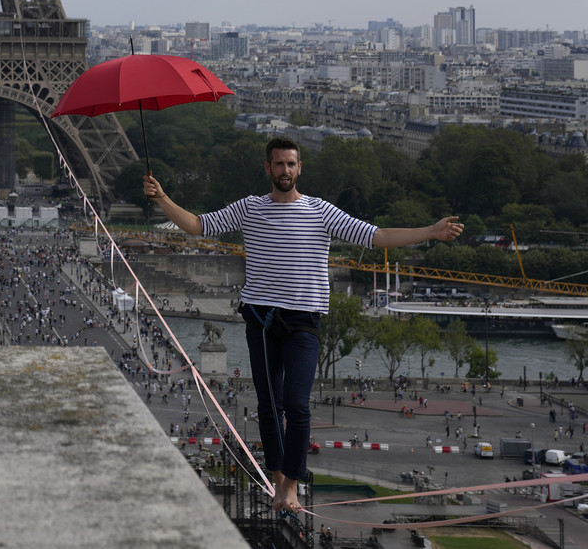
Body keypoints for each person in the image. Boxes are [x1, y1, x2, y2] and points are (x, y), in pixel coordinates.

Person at [142, 136, 464, 513]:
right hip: (261, 318)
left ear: (300, 168)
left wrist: (430, 231)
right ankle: (280, 479)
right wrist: (161, 198)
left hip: (304, 319)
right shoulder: (250, 208)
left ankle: (291, 483)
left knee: (296, 404)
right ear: (268, 168)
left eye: (291, 164)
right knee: (268, 405)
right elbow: (198, 226)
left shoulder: (321, 212)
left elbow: (376, 236)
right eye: (279, 164)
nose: (285, 170)